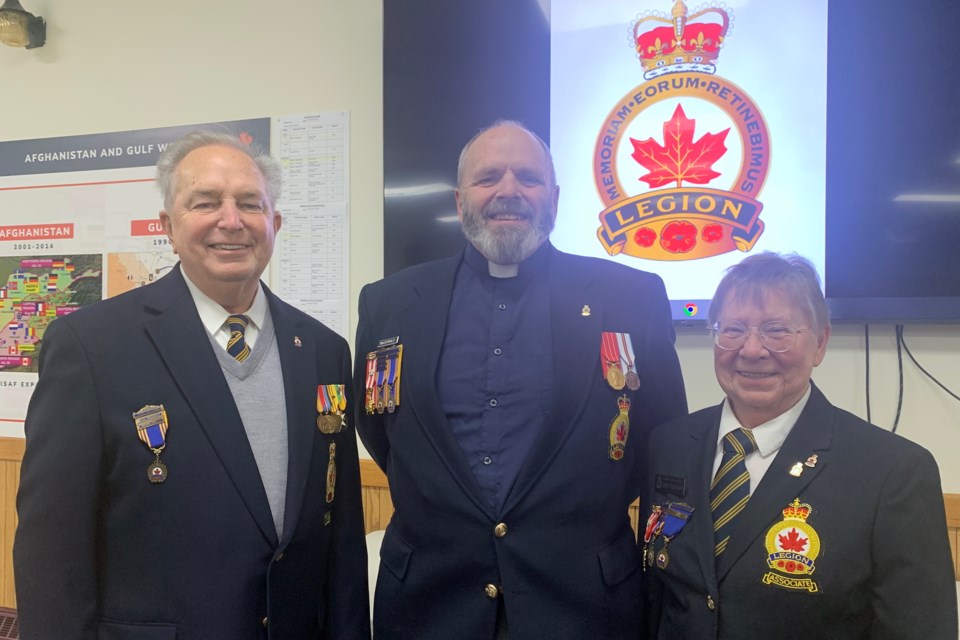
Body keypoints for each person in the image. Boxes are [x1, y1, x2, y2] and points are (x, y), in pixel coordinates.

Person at [14, 131, 370, 639]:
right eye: (206, 202)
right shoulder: (91, 346)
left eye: (250, 203)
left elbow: (341, 538)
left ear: (275, 223)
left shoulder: (323, 350)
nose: (231, 220)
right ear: (169, 227)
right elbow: (52, 549)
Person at [354, 120, 687, 639]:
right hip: (429, 610)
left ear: (553, 197)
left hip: (584, 609)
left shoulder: (630, 297)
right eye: (488, 178)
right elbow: (382, 431)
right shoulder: (389, 303)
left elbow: (661, 446)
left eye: (527, 178)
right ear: (459, 197)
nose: (509, 191)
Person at [641, 252, 958, 639]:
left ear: (820, 343)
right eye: (733, 329)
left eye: (777, 331)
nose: (752, 349)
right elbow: (655, 599)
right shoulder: (669, 444)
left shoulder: (893, 472)